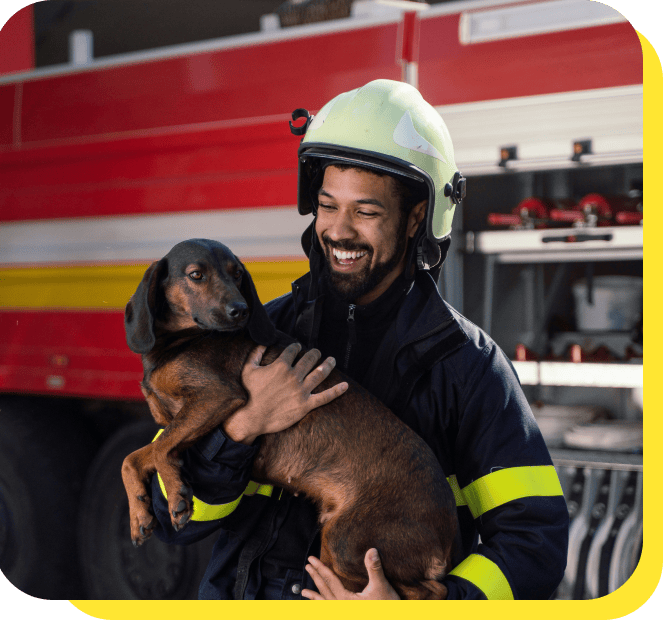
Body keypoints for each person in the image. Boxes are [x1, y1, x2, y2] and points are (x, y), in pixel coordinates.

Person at [149, 79, 569, 600]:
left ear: (417, 218)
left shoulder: (466, 365)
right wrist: (240, 427)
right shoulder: (253, 336)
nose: (339, 231)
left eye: (366, 211)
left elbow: (535, 544)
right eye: (328, 206)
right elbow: (173, 521)